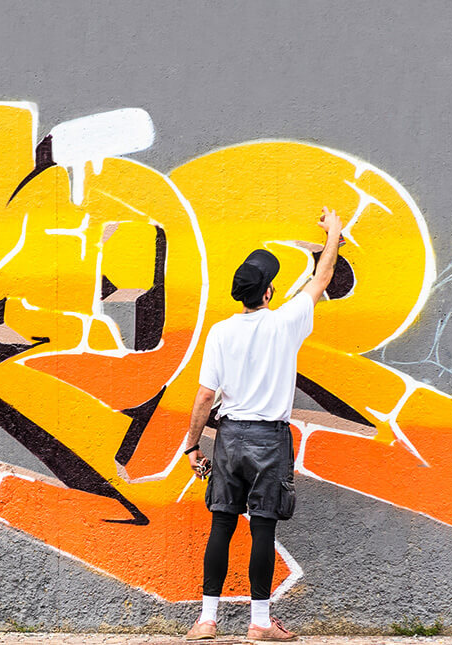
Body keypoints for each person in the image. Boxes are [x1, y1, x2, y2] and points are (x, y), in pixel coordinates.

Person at [183, 206, 344, 641]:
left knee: (221, 525)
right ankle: (259, 623)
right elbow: (322, 277)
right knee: (262, 529)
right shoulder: (284, 323)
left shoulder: (220, 332)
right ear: (269, 292)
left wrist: (192, 446)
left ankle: (206, 620)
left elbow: (204, 397)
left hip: (229, 437)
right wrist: (333, 234)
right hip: (269, 440)